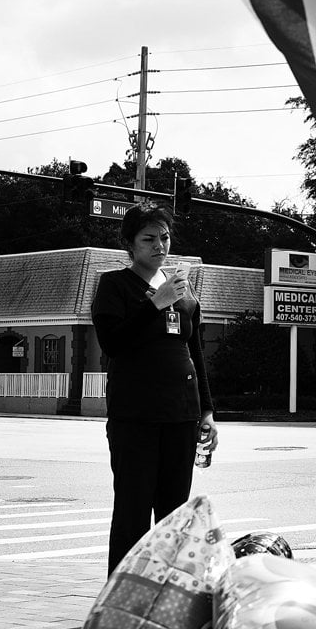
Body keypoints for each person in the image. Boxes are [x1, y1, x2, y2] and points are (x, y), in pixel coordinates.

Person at [92, 204, 218, 575]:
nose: (159, 245)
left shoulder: (183, 289)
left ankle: (167, 593)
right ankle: (122, 596)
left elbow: (194, 351)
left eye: (164, 237)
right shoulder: (115, 285)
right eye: (148, 239)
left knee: (174, 513)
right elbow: (113, 344)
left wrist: (207, 411)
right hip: (135, 415)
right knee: (133, 510)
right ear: (129, 244)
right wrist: (154, 304)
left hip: (182, 413)